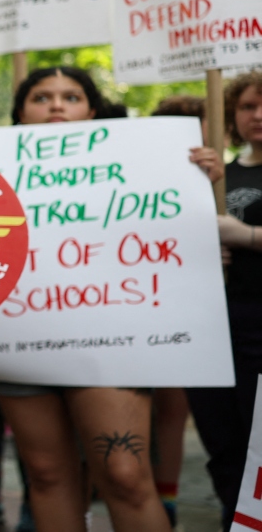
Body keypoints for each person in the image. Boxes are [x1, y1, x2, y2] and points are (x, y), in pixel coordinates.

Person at [0, 68, 221, 532]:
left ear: (91, 112)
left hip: (113, 342)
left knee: (126, 474)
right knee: (47, 475)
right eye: (41, 97)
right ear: (19, 113)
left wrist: (199, 179)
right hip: (18, 340)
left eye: (70, 96)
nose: (56, 105)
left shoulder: (145, 163)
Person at [190, 70, 262, 531]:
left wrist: (249, 236)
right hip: (216, 328)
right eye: (247, 106)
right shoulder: (221, 173)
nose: (258, 115)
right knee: (225, 441)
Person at [149, 94, 224, 527]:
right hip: (140, 303)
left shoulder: (223, 176)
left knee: (175, 409)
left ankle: (168, 495)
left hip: (191, 308)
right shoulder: (133, 173)